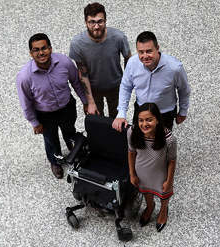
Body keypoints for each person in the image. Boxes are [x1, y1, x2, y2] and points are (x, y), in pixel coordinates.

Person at [16, 33, 87, 179]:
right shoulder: (24, 77)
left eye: (44, 48)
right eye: (36, 50)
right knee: (51, 139)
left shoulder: (64, 62)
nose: (41, 53)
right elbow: (26, 103)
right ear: (31, 53)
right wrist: (34, 122)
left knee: (70, 131)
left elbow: (76, 83)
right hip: (45, 114)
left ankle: (74, 151)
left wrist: (85, 102)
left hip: (67, 107)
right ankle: (55, 161)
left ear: (50, 48)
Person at [112, 31, 191, 131]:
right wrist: (121, 113)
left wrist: (183, 111)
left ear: (157, 48)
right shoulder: (132, 63)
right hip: (141, 111)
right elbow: (125, 87)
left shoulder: (175, 68)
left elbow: (184, 90)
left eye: (149, 51)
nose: (145, 56)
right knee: (138, 142)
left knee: (161, 144)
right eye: (141, 52)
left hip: (164, 114)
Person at [69, 2, 131, 118]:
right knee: (98, 121)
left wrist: (126, 83)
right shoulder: (77, 43)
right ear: (86, 22)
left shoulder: (119, 37)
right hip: (93, 90)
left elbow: (129, 59)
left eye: (100, 21)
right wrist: (90, 102)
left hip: (116, 87)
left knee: (117, 120)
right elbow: (83, 74)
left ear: (105, 20)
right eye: (92, 22)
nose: (96, 26)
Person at [127, 103, 177, 232]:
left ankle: (163, 210)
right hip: (141, 172)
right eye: (141, 120)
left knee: (164, 195)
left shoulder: (169, 139)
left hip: (160, 174)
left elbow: (172, 160)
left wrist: (169, 181)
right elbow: (131, 152)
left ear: (158, 120)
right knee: (146, 192)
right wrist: (132, 174)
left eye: (149, 119)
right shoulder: (132, 132)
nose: (144, 124)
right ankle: (150, 207)